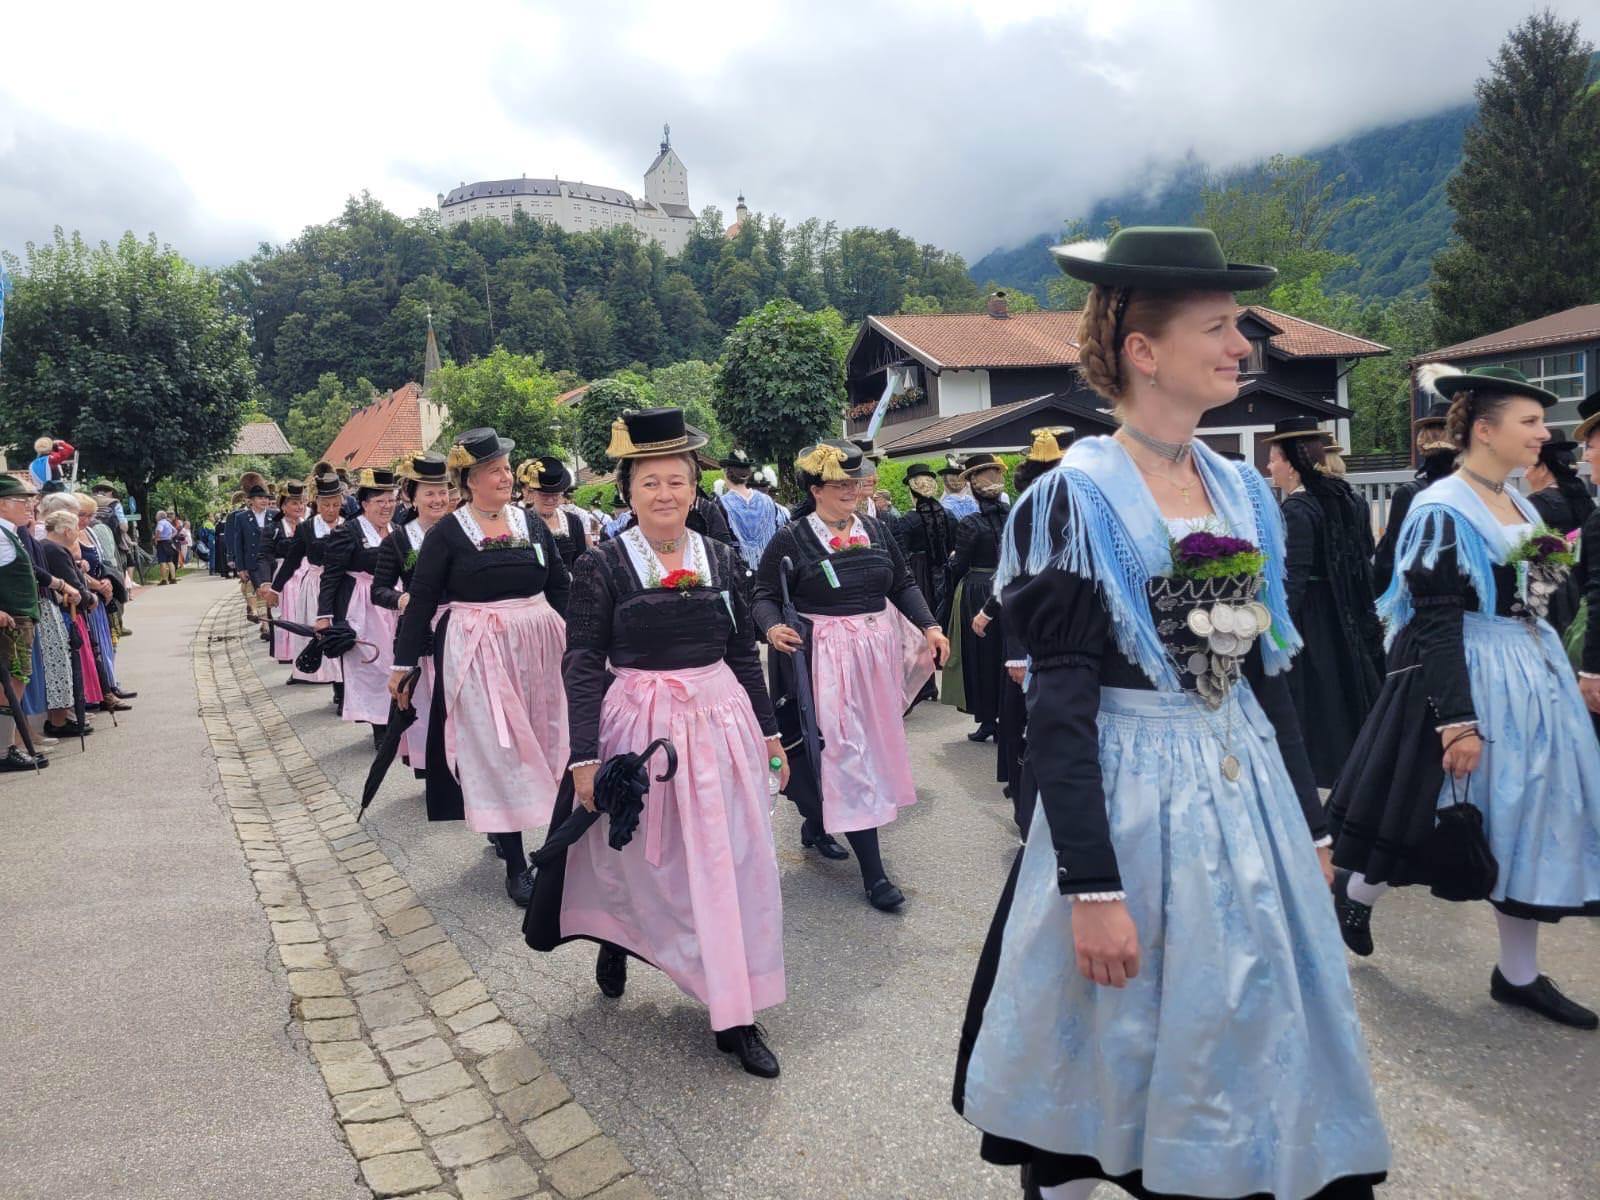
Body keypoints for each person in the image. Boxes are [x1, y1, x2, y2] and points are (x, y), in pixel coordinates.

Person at [954, 227, 1389, 1200]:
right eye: (1219, 327)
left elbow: (1257, 675)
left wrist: (1311, 821)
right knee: (1100, 1035)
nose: (1242, 347)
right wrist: (1091, 888)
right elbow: (1059, 713)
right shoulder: (1076, 498)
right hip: (1132, 801)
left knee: (1242, 1017)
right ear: (1143, 350)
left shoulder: (1237, 490)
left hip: (1242, 789)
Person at [1329, 364, 1600, 1030]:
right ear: (1484, 429)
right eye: (1529, 422)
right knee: (1426, 808)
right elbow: (1437, 621)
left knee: (1525, 817)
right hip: (1466, 674)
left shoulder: (1520, 501)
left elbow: (1542, 591)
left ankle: (1518, 974)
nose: (1544, 434)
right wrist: (1457, 721)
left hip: (1532, 672)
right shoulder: (1443, 508)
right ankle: (1356, 889)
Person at [524, 408, 789, 1077]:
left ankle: (734, 1012)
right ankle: (618, 936)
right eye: (650, 483)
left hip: (721, 723)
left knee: (727, 863)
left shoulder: (723, 558)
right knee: (643, 859)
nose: (665, 493)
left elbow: (743, 653)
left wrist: (770, 734)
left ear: (695, 488)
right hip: (640, 728)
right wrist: (584, 756)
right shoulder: (601, 565)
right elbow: (583, 662)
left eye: (676, 481)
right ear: (627, 492)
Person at [754, 438, 947, 911]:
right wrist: (773, 627)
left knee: (860, 751)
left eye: (854, 483)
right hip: (822, 658)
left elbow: (902, 582)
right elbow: (761, 594)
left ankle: (816, 820)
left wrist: (930, 625)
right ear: (815, 489)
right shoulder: (792, 537)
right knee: (844, 753)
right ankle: (874, 874)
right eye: (839, 484)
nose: (851, 490)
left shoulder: (876, 529)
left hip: (873, 658)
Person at [392, 430, 570, 905]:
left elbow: (559, 585)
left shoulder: (531, 524)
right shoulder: (448, 533)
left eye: (507, 469)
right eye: (495, 471)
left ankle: (550, 844)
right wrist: (403, 662)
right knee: (497, 747)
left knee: (549, 740)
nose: (506, 477)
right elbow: (422, 599)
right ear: (469, 481)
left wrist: (584, 643)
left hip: (540, 648)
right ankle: (516, 864)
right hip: (478, 651)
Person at [1263, 417, 1385, 789]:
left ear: (1291, 463)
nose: (1269, 466)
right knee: (1345, 688)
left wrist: (1276, 632)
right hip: (1348, 610)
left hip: (1314, 616)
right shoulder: (1348, 498)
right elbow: (1366, 551)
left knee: (1315, 696)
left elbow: (1294, 578)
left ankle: (1317, 773)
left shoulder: (1299, 509)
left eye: (1273, 458)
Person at [978, 428, 1071, 832]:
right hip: (1034, 639)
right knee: (1030, 728)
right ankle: (1026, 811)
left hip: (1077, 635)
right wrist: (1016, 651)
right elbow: (1011, 581)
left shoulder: (1085, 506)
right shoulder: (1027, 512)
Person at [365, 453, 451, 776]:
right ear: (411, 497)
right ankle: (433, 767)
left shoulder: (461, 530)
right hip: (421, 630)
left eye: (442, 491)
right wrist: (401, 599)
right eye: (429, 493)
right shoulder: (399, 540)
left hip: (461, 626)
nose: (438, 499)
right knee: (427, 701)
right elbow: (378, 590)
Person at [318, 468, 400, 744]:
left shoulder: (399, 530)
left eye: (391, 500)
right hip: (362, 606)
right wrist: (324, 616)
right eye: (380, 501)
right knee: (374, 666)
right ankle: (380, 727)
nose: (387, 506)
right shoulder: (348, 532)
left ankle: (399, 719)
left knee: (399, 662)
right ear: (365, 504)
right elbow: (331, 576)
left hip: (396, 601)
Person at [260, 468, 345, 700]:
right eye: (326, 505)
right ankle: (336, 684)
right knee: (325, 635)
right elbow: (291, 561)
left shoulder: (350, 525)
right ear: (317, 503)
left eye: (336, 505)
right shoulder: (307, 528)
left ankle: (344, 686)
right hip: (316, 586)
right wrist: (275, 589)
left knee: (346, 634)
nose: (331, 510)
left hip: (345, 586)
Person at [944, 454, 1011, 743]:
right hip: (1010, 589)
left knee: (981, 655)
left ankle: (987, 720)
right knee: (1008, 652)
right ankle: (1010, 716)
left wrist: (951, 562)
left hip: (978, 591)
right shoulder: (1014, 515)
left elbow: (958, 565)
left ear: (972, 486)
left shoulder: (970, 524)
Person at [1373, 393, 1458, 595]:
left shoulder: (1409, 494)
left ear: (1422, 442)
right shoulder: (1473, 490)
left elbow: (1392, 554)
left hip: (1423, 595)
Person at [39, 504, 106, 726]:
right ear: (67, 531)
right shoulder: (55, 550)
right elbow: (72, 583)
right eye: (76, 528)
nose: (78, 532)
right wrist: (90, 599)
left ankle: (71, 710)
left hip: (67, 608)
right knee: (70, 663)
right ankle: (66, 713)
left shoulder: (47, 547)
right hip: (67, 611)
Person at [0, 475, 50, 771]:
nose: (29, 506)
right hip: (11, 619)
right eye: (22, 500)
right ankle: (3, 750)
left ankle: (7, 746)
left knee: (15, 681)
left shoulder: (8, 532)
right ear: (2, 505)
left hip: (18, 617)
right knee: (11, 683)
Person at [894, 463, 955, 627]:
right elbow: (955, 546)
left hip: (919, 572)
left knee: (924, 615)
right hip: (946, 571)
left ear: (911, 491)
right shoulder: (948, 515)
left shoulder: (907, 521)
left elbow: (900, 553)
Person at [261, 483, 308, 665]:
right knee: (288, 614)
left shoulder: (311, 526)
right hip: (285, 577)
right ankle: (289, 651)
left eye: (301, 502)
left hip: (309, 576)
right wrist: (265, 582)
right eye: (294, 503)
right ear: (283, 506)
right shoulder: (273, 529)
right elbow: (264, 556)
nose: (299, 507)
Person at [717, 448, 784, 570]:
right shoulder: (768, 501)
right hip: (769, 567)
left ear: (726, 474)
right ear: (748, 475)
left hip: (736, 571)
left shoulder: (720, 504)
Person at [519, 457, 588, 572]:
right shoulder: (520, 523)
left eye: (555, 494)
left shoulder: (573, 522)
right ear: (532, 493)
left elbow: (581, 562)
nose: (550, 500)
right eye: (544, 495)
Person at [223, 473, 274, 614]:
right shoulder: (239, 517)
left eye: (266, 498)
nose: (264, 500)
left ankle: (264, 617)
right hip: (252, 561)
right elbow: (236, 542)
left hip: (271, 561)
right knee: (258, 591)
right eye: (260, 498)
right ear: (250, 500)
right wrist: (238, 565)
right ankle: (259, 615)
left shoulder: (274, 514)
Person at [153, 510, 178, 585]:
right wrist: (170, 537)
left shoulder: (160, 523)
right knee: (170, 561)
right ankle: (173, 579)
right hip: (169, 542)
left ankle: (164, 580)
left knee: (162, 561)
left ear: (159, 516)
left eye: (156, 515)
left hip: (162, 543)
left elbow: (159, 530)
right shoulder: (168, 523)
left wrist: (156, 538)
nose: (155, 517)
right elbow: (175, 531)